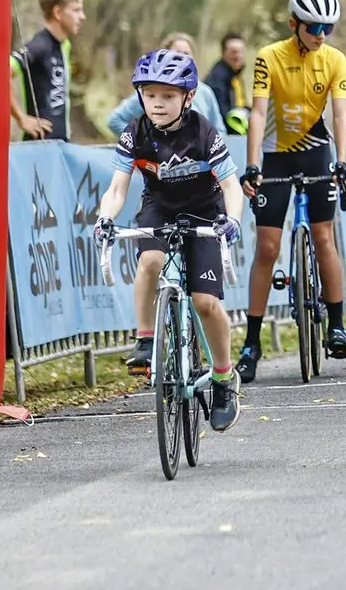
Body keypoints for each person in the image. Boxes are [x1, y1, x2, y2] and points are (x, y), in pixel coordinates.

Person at [94, 49, 243, 431]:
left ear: (187, 97)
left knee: (205, 303)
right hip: (159, 208)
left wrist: (233, 220)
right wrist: (105, 219)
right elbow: (116, 188)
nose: (157, 104)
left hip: (204, 213)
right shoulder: (134, 133)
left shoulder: (205, 132)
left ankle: (224, 379)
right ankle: (146, 340)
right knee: (150, 262)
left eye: (168, 96)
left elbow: (231, 186)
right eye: (150, 94)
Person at [235, 0, 346, 383]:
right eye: (314, 27)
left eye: (329, 28)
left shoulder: (335, 59)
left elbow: (341, 114)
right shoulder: (268, 57)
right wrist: (252, 165)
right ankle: (252, 342)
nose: (322, 35)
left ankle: (336, 324)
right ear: (294, 24)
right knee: (267, 247)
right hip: (275, 154)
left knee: (324, 238)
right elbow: (257, 113)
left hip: (316, 151)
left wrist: (341, 161)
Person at [108, 32, 225, 135]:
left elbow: (220, 130)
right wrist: (141, 141)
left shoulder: (205, 91)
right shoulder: (153, 89)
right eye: (177, 54)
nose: (182, 58)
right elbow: (115, 120)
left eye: (187, 53)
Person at [10, 0, 84, 141]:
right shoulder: (38, 46)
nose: (82, 17)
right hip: (38, 146)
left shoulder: (65, 45)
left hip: (60, 144)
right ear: (58, 12)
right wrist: (21, 118)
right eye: (76, 10)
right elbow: (1, 73)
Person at [205, 32, 249, 133]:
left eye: (241, 51)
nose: (238, 56)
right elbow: (220, 115)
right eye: (233, 52)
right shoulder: (217, 79)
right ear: (223, 53)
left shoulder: (235, 76)